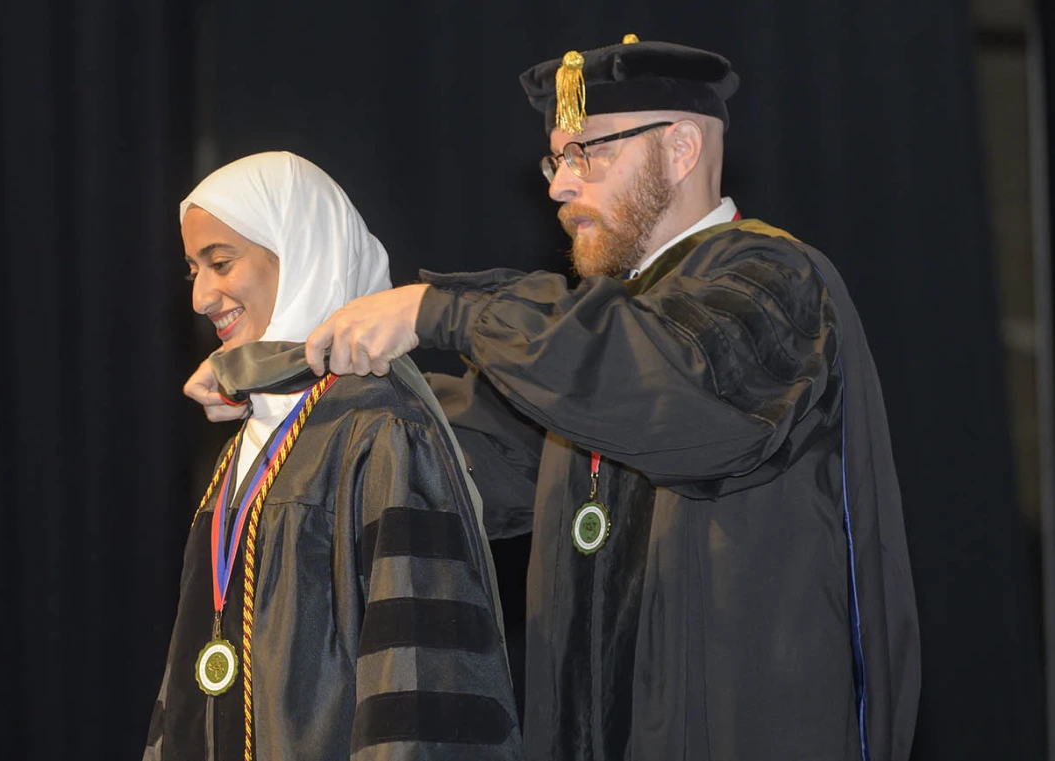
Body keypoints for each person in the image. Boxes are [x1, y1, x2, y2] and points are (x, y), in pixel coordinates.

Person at [186, 38, 921, 761]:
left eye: (588, 153)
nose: (559, 186)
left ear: (682, 148)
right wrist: (280, 386)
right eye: (555, 159)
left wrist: (441, 309)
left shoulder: (774, 281)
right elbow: (439, 447)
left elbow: (667, 386)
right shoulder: (582, 346)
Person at [145, 151, 522, 760]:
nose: (200, 296)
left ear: (301, 252)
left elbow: (416, 681)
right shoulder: (254, 431)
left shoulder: (381, 427)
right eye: (192, 269)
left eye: (220, 262)